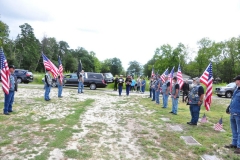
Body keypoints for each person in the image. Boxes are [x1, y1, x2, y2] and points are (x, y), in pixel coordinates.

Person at [224, 75, 240, 154]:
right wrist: (229, 107)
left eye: (236, 80)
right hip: (233, 112)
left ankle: (239, 147)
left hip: (239, 113)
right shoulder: (237, 89)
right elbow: (234, 99)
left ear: (239, 80)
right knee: (234, 129)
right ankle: (234, 143)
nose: (235, 81)